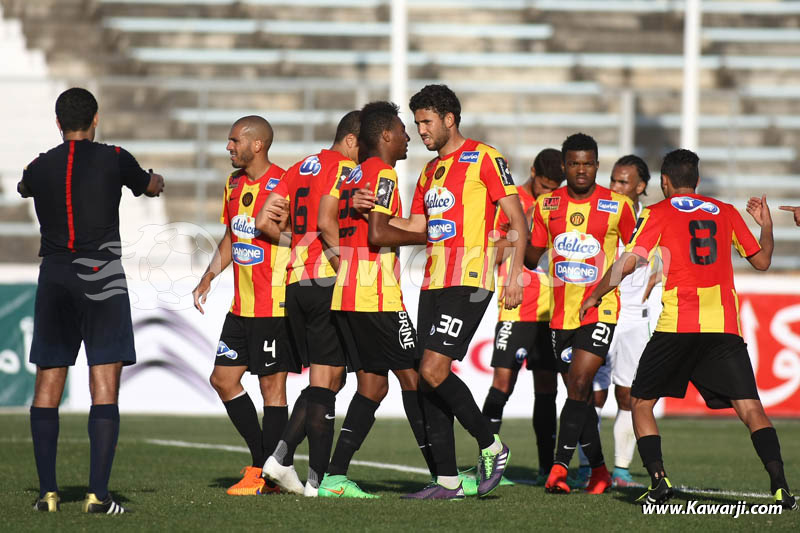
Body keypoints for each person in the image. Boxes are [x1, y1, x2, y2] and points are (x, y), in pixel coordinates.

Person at [580, 149, 797, 510]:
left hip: (677, 326)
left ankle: (658, 480)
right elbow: (762, 262)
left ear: (664, 182)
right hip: (724, 326)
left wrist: (595, 294)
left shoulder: (657, 213)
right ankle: (780, 485)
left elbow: (630, 261)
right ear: (696, 181)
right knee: (751, 408)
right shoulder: (726, 212)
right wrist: (767, 224)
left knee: (640, 402)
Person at [18, 87, 164, 513]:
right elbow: (147, 185)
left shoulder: (40, 165)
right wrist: (156, 182)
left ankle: (47, 494)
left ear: (58, 123)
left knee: (48, 383)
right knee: (104, 383)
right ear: (96, 119)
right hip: (101, 273)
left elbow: (25, 186)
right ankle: (98, 494)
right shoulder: (114, 156)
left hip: (56, 274)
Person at [391, 84, 527, 499]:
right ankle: (447, 480)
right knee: (425, 377)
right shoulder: (428, 172)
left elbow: (518, 219)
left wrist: (515, 274)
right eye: (417, 124)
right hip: (433, 281)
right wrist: (368, 221)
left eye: (426, 122)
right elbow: (417, 227)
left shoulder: (486, 158)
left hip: (470, 280)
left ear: (450, 120)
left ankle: (492, 445)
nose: (420, 131)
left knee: (433, 369)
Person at [316, 101, 436, 498]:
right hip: (377, 295)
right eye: (403, 131)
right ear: (386, 135)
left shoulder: (350, 175)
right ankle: (444, 473)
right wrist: (432, 236)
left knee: (372, 387)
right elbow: (379, 235)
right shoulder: (382, 173)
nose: (408, 138)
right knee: (416, 378)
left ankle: (334, 477)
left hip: (347, 292)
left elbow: (326, 220)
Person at [192, 116, 299, 496]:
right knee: (223, 380)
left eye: (235, 140)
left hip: (275, 306)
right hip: (242, 307)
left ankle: (269, 475)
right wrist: (209, 275)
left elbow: (297, 239)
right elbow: (231, 234)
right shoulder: (234, 183)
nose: (228, 146)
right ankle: (263, 463)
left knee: (273, 390)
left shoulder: (286, 183)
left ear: (257, 145)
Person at [525, 133, 637, 495]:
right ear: (564, 166)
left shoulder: (617, 205)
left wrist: (602, 289)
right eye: (574, 163)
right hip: (560, 316)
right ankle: (600, 471)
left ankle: (558, 467)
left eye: (588, 163)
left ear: (597, 165)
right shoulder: (546, 206)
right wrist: (513, 233)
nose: (581, 169)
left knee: (577, 384)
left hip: (600, 309)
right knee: (580, 394)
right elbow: (531, 256)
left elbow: (634, 255)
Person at [255, 111, 360, 497]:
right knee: (326, 379)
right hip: (325, 281)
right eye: (361, 149)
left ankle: (288, 464)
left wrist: (300, 244)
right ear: (351, 140)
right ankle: (309, 477)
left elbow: (264, 223)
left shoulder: (300, 166)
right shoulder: (340, 168)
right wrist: (345, 267)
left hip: (297, 281)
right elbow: (327, 220)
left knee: (330, 378)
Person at [480, 148, 564, 486]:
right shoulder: (512, 202)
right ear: (532, 174)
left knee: (547, 388)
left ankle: (547, 466)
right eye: (544, 186)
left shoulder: (562, 204)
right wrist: (520, 235)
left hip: (553, 308)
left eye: (554, 188)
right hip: (517, 307)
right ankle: (486, 460)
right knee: (502, 383)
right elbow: (492, 249)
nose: (549, 193)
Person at [579, 155, 662, 489]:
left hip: (633, 319)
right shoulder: (599, 212)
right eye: (612, 180)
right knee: (590, 394)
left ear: (641, 187)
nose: (615, 187)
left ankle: (622, 470)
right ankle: (589, 468)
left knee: (627, 396)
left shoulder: (654, 219)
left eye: (623, 182)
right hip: (600, 311)